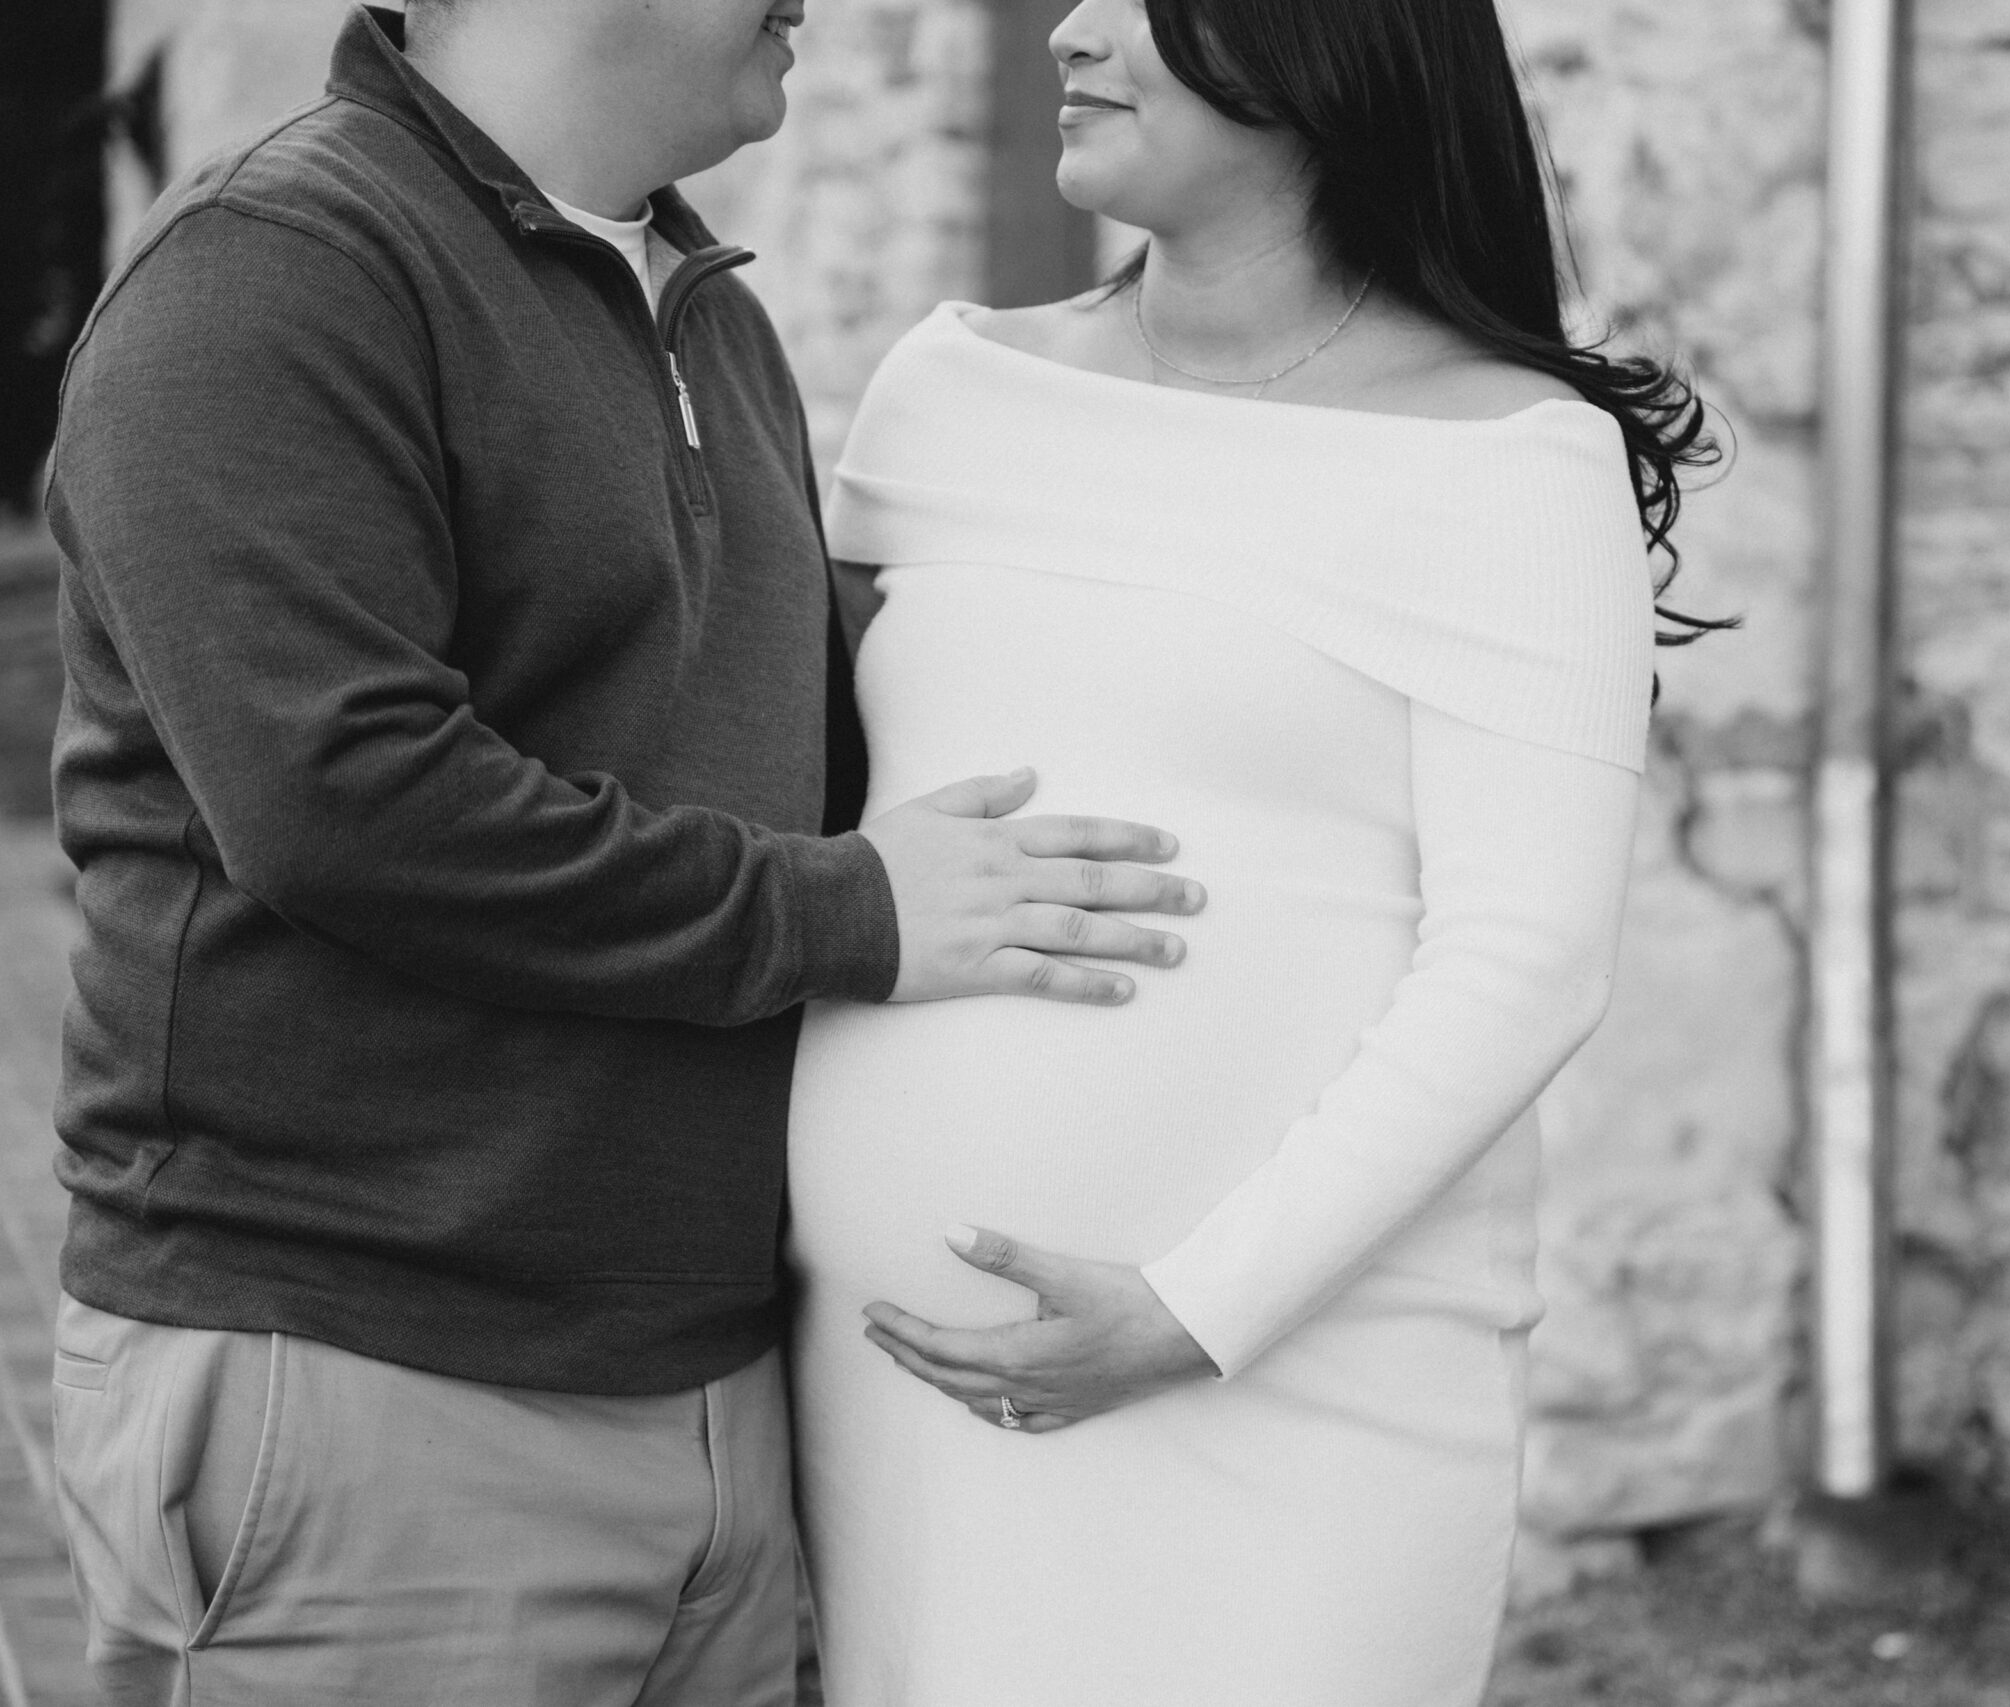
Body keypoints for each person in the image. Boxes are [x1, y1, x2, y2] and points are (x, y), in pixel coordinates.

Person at [43, 4, 1203, 1703]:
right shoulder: (275, 273)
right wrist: (848, 916)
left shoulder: (705, 310)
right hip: (375, 1384)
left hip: (715, 1401)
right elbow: (350, 805)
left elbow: (802, 768)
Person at [785, 0, 1727, 1700]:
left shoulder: (1512, 462)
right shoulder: (948, 390)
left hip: (1299, 1393)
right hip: (892, 1398)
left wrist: (1193, 1310)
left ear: (1319, 43)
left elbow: (1525, 963)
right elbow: (821, 810)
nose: (1066, 30)